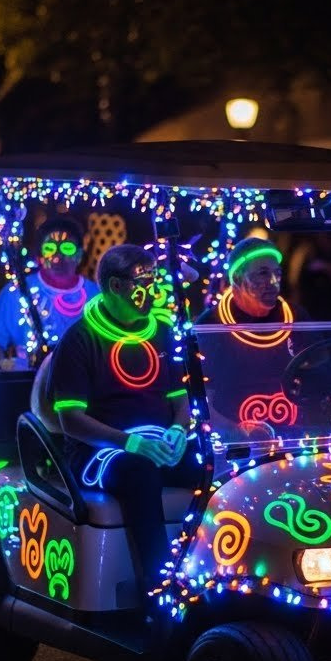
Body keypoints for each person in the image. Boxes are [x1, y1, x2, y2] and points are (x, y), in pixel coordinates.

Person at [47, 243, 194, 590]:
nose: (152, 290)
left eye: (155, 280)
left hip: (157, 442)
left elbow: (181, 401)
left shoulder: (161, 333)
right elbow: (71, 420)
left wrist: (178, 430)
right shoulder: (80, 340)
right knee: (140, 473)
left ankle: (212, 573)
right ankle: (158, 587)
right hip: (99, 452)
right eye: (142, 281)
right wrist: (131, 442)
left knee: (214, 466)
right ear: (115, 286)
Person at [193, 236, 309, 435]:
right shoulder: (210, 327)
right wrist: (239, 433)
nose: (273, 282)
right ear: (237, 278)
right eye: (263, 274)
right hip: (237, 443)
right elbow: (202, 407)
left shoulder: (296, 318)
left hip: (294, 437)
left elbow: (319, 382)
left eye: (277, 274)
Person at [0, 216, 97, 369]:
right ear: (39, 257)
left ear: (79, 255)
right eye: (49, 249)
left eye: (67, 248)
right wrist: (3, 365)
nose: (57, 257)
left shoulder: (96, 295)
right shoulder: (17, 292)